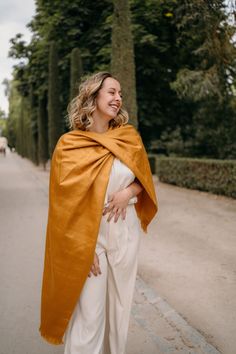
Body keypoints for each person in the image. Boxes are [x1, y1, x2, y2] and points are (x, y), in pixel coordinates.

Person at [39, 72, 158, 354]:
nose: (118, 99)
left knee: (119, 309)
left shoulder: (128, 138)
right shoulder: (69, 145)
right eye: (111, 92)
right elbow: (62, 206)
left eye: (120, 95)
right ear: (93, 97)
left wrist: (128, 193)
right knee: (89, 315)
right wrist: (83, 246)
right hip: (89, 239)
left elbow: (144, 179)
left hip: (125, 234)